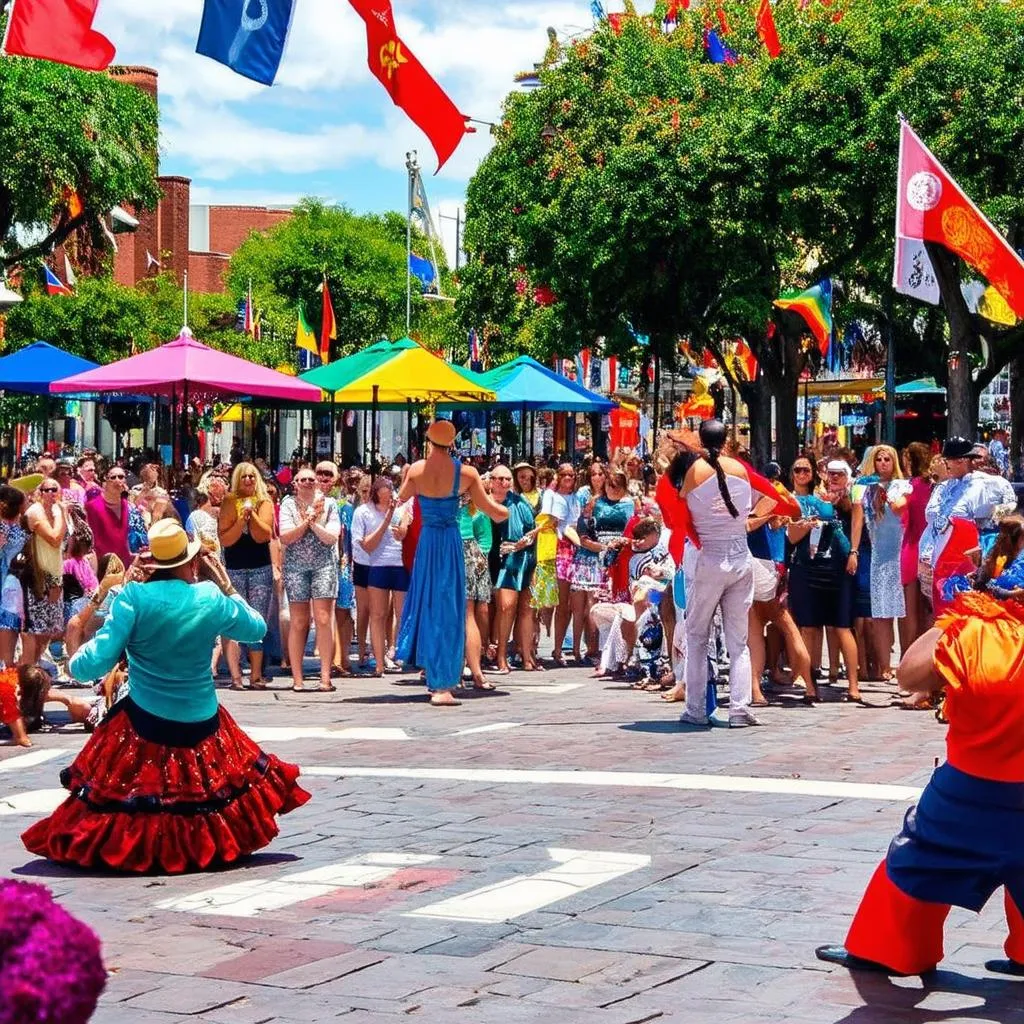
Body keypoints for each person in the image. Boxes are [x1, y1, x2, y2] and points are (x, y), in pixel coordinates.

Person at [21, 520, 310, 873]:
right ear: (191, 563)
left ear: (154, 564)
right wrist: (227, 585)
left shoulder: (133, 598)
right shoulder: (209, 596)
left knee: (123, 781)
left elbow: (89, 665)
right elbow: (256, 628)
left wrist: (75, 650)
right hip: (201, 717)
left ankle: (144, 848)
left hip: (147, 718)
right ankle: (203, 845)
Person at [816, 579, 1024, 977]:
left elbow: (909, 675)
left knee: (913, 864)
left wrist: (958, 613)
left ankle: (887, 950)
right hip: (985, 792)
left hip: (967, 795)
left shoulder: (975, 629)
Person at [396, 420, 508, 706]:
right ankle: (443, 684)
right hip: (450, 543)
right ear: (453, 443)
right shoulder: (467, 473)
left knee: (429, 606)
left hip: (427, 543)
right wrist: (506, 510)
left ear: (429, 442)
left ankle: (435, 675)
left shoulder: (417, 470)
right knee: (451, 610)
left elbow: (400, 499)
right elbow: (493, 512)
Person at [678, 420, 764, 728]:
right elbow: (759, 498)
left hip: (710, 555)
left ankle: (696, 708)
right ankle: (739, 708)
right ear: (727, 438)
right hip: (740, 555)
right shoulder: (740, 469)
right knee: (738, 641)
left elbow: (680, 509)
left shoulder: (694, 472)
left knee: (697, 635)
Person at [279, 468, 341, 692]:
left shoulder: (330, 504)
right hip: (296, 566)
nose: (307, 482)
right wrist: (307, 523)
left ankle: (325, 677)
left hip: (323, 564)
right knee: (298, 621)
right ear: (295, 483)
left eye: (310, 479)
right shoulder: (288, 504)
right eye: (302, 479)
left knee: (324, 618)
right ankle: (298, 678)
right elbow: (285, 536)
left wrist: (313, 523)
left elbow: (331, 538)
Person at [218, 463, 276, 690]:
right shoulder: (229, 501)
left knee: (256, 620)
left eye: (252, 477)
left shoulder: (265, 502)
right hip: (234, 568)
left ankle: (255, 674)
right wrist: (241, 519)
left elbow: (264, 536)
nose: (249, 480)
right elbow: (226, 539)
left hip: (260, 567)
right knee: (233, 619)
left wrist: (252, 517)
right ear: (237, 479)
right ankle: (235, 676)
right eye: (244, 477)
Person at [857, 444, 910, 680]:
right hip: (879, 554)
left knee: (905, 612)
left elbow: (901, 512)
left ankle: (905, 661)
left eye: (888, 459)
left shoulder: (904, 485)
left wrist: (886, 495)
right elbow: (856, 518)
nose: (883, 464)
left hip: (901, 553)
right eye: (879, 459)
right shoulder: (864, 488)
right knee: (881, 613)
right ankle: (883, 665)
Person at [351, 475, 409, 678]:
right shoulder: (363, 512)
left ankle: (403, 654)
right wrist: (386, 519)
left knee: (402, 613)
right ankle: (378, 661)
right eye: (383, 496)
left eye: (390, 494)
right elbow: (367, 545)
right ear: (375, 495)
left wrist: (402, 527)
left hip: (400, 566)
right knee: (378, 614)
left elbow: (405, 531)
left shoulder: (401, 510)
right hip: (377, 565)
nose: (387, 499)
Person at [489, 464, 540, 674]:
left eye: (507, 479)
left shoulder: (521, 503)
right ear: (491, 480)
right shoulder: (483, 500)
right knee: (505, 608)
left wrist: (526, 540)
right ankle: (500, 654)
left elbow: (532, 530)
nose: (504, 483)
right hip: (496, 560)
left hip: (522, 559)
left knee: (526, 609)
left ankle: (527, 656)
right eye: (500, 479)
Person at [23, 477, 67, 664]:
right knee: (36, 633)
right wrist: (61, 514)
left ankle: (33, 673)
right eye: (46, 489)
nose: (51, 493)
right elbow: (55, 538)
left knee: (49, 632)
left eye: (54, 489)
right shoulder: (36, 512)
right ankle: (26, 674)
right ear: (39, 493)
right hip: (38, 579)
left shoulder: (58, 512)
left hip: (55, 576)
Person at [900, 442, 933, 650]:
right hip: (930, 548)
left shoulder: (909, 487)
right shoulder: (933, 486)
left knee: (909, 610)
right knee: (929, 608)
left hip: (911, 547)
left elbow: (904, 521)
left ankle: (908, 654)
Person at [85, 465, 147, 566]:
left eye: (121, 477)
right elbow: (89, 541)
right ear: (105, 482)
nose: (117, 480)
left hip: (124, 564)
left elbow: (124, 536)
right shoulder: (92, 507)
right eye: (113, 477)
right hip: (102, 566)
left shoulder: (126, 505)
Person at [0, 483, 28, 667]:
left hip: (10, 580)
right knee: (7, 624)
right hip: (9, 581)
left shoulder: (17, 527)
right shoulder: (14, 528)